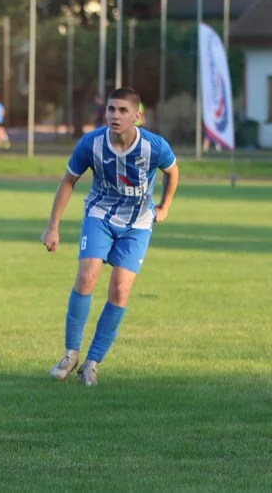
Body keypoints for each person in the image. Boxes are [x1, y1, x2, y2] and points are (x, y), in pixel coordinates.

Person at [41, 87, 179, 386]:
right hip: (99, 215)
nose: (116, 116)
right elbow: (68, 181)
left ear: (137, 116)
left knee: (119, 291)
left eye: (123, 111)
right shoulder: (91, 144)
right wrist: (53, 226)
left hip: (138, 225)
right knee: (87, 276)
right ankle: (70, 353)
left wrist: (165, 206)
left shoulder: (154, 147)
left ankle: (92, 362)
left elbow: (173, 171)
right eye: (111, 110)